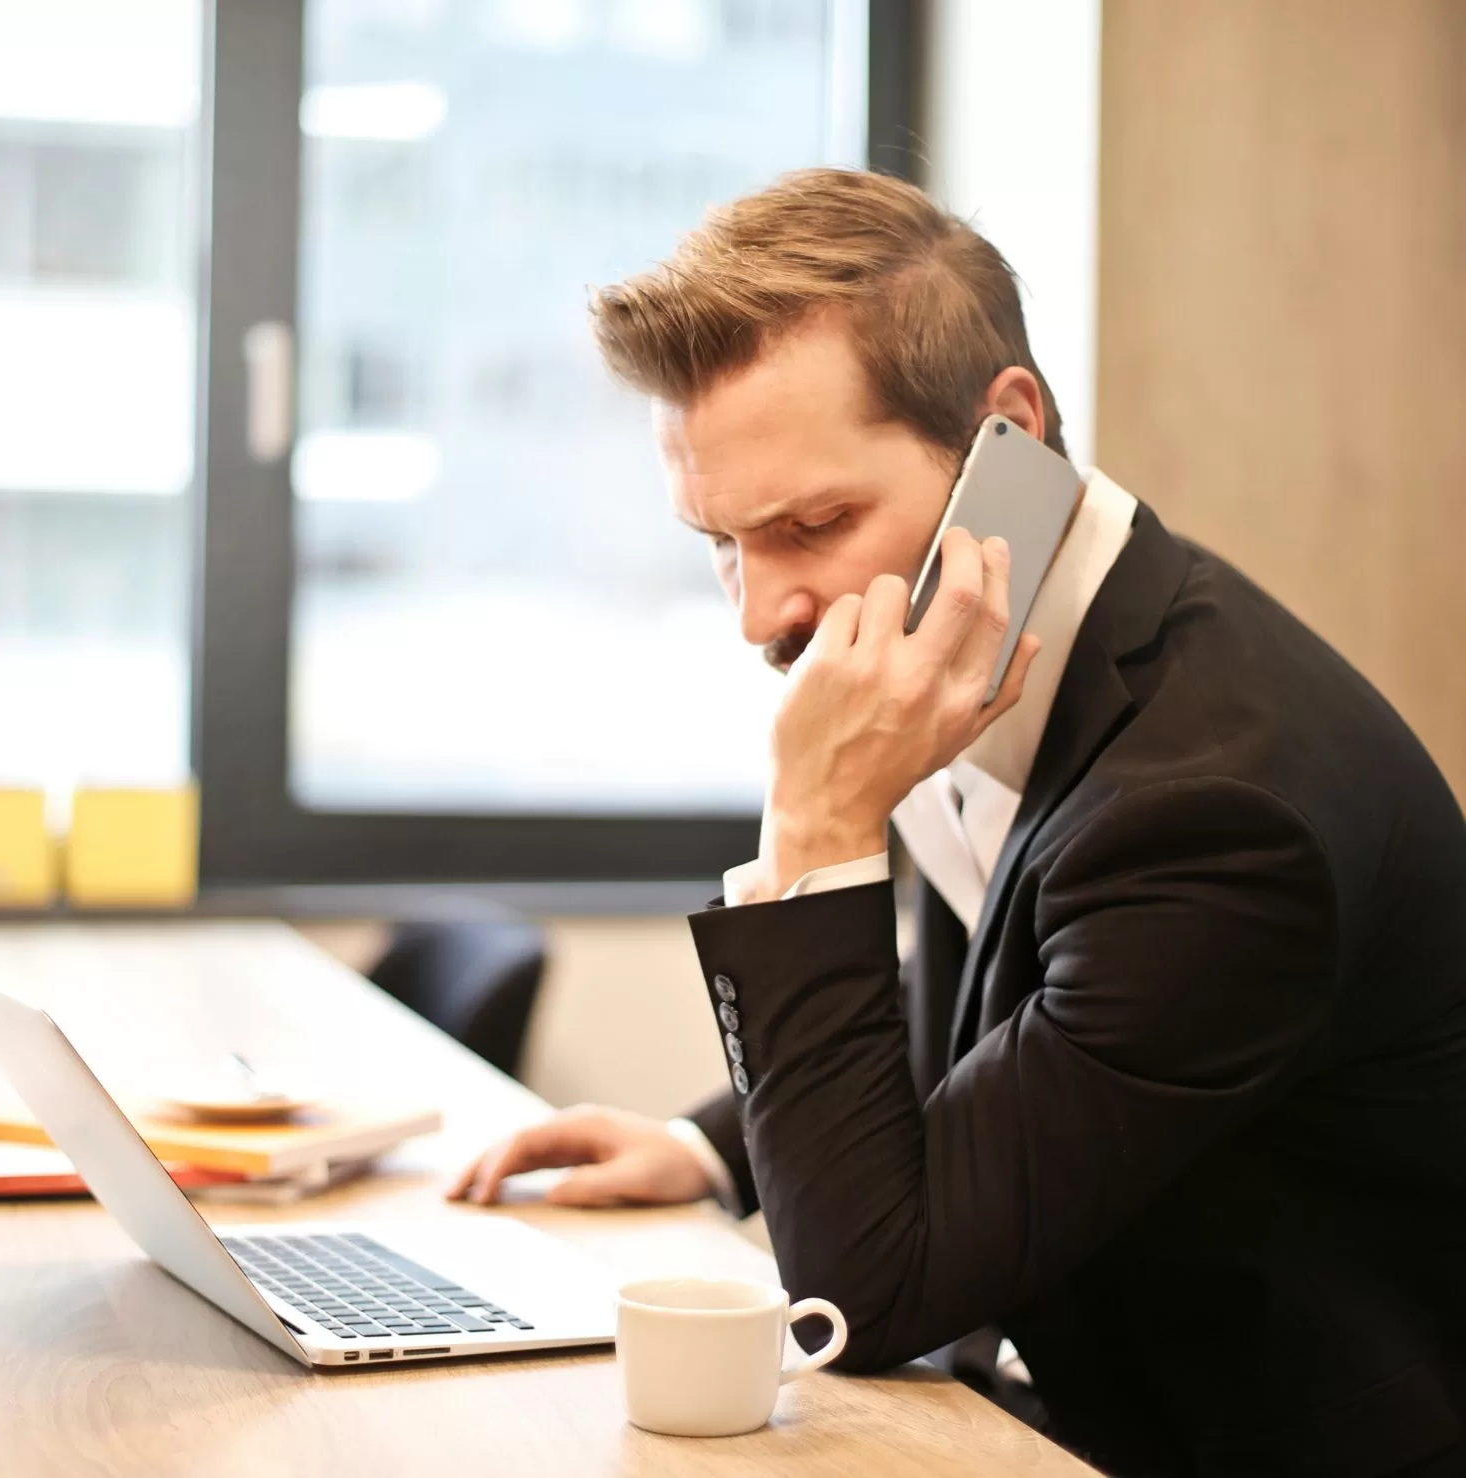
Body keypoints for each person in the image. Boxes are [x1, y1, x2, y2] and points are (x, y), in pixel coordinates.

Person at [448, 169, 1466, 1476]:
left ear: (1009, 441)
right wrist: (710, 1143)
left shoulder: (1219, 809)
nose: (760, 615)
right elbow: (1008, 980)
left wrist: (818, 826)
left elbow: (862, 1294)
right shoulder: (989, 633)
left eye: (812, 523)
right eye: (719, 542)